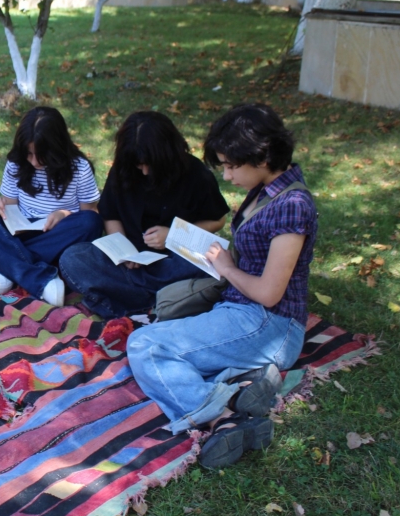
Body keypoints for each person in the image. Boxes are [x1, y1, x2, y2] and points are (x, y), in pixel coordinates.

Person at [127, 103, 317, 468]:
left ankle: (221, 417)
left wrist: (227, 267)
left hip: (269, 322)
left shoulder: (292, 205)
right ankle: (244, 393)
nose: (227, 176)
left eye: (231, 165)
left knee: (146, 345)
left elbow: (269, 293)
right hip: (247, 315)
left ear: (261, 157)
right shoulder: (268, 190)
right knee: (167, 342)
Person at [59, 111, 229, 319]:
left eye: (151, 164)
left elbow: (218, 219)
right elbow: (110, 215)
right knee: (73, 258)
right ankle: (160, 301)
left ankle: (121, 301)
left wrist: (174, 235)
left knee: (212, 261)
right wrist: (122, 249)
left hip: (174, 258)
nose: (145, 171)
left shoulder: (195, 174)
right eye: (139, 165)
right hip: (131, 262)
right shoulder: (123, 171)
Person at [0, 107, 103, 307]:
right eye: (29, 154)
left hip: (58, 234)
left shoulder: (79, 167)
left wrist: (64, 214)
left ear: (57, 147)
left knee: (91, 222)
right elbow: (10, 209)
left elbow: (89, 213)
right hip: (20, 232)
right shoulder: (17, 163)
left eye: (42, 155)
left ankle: (7, 267)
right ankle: (40, 277)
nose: (35, 161)